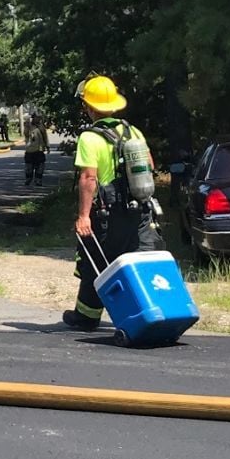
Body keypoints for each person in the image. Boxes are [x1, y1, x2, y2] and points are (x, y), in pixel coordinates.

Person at [63, 76, 164, 331]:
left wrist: (84, 215)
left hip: (107, 213)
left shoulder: (90, 138)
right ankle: (149, 311)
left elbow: (89, 178)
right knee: (136, 260)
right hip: (138, 210)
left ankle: (86, 316)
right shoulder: (133, 131)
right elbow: (150, 165)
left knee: (94, 261)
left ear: (89, 106)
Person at [24, 113, 49, 185]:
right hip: (30, 150)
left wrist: (47, 146)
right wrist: (27, 125)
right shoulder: (28, 126)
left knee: (40, 166)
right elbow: (25, 134)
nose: (38, 119)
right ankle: (28, 178)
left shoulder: (41, 126)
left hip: (39, 150)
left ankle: (38, 180)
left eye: (39, 118)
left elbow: (45, 136)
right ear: (33, 118)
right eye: (37, 118)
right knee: (29, 166)